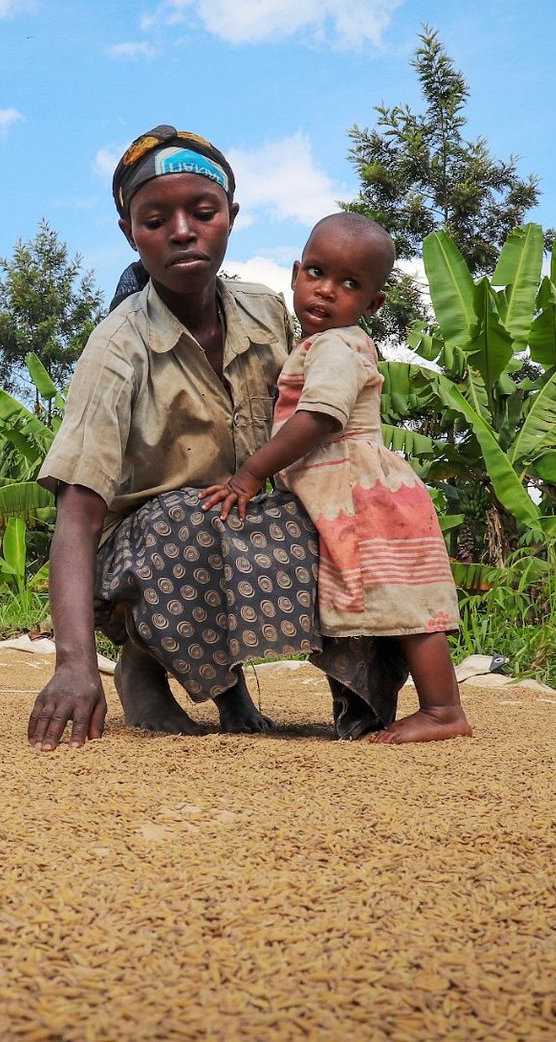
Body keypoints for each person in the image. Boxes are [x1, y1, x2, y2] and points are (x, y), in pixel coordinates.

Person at [27, 127, 403, 750]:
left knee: (353, 510)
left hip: (241, 520)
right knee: (189, 517)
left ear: (231, 216)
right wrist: (73, 663)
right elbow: (78, 513)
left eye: (203, 213)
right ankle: (146, 663)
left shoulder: (268, 312)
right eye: (155, 221)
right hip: (140, 562)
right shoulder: (117, 349)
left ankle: (361, 701)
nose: (182, 232)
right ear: (130, 232)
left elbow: (316, 420)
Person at [199, 212, 470, 744]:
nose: (326, 290)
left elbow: (321, 417)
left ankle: (443, 711)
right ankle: (430, 707)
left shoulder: (336, 346)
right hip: (360, 494)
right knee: (400, 604)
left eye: (349, 284)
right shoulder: (319, 345)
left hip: (363, 499)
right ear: (295, 274)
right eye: (317, 272)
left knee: (409, 608)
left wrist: (249, 475)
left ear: (372, 304)